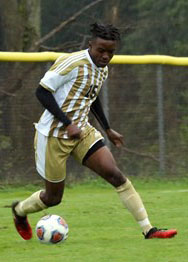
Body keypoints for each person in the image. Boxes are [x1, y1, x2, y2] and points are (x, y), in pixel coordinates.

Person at [12, 22, 177, 240]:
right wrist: (66, 122)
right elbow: (41, 92)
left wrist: (107, 129)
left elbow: (92, 96)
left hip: (82, 133)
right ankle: (19, 211)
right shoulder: (72, 62)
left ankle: (149, 230)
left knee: (116, 175)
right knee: (53, 198)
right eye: (101, 50)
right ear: (90, 45)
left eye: (111, 52)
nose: (106, 56)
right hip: (53, 135)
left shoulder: (103, 69)